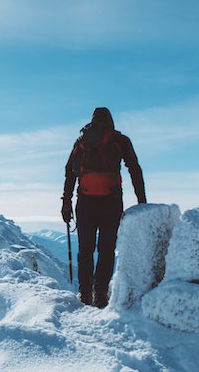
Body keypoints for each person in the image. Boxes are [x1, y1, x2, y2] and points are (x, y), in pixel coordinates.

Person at [61, 107, 146, 308]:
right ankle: (100, 292)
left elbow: (69, 172)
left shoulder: (82, 142)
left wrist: (66, 202)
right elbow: (134, 169)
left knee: (85, 249)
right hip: (111, 202)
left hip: (85, 202)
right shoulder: (120, 140)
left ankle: (84, 292)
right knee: (106, 249)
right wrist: (142, 200)